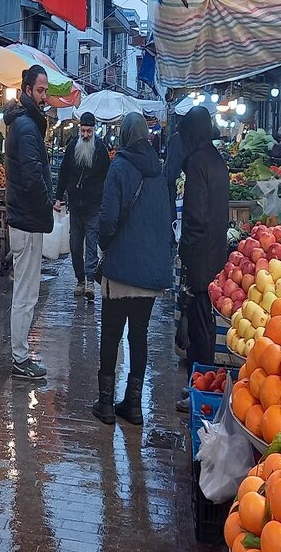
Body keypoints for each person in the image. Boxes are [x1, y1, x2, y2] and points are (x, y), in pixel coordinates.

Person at [92, 112, 172, 425]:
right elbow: (164, 222)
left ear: (124, 136)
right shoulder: (159, 171)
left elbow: (108, 218)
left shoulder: (119, 167)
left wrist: (103, 244)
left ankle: (106, 404)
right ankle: (134, 406)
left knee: (111, 333)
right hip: (149, 273)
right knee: (139, 335)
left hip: (122, 268)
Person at [176, 105, 229, 412]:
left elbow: (195, 217)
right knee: (205, 324)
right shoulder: (217, 161)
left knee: (199, 327)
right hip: (216, 254)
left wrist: (185, 250)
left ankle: (199, 388)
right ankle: (202, 384)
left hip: (199, 257)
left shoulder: (196, 164)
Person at [4, 64, 52, 380]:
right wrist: (47, 205)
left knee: (25, 292)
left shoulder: (23, 125)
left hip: (23, 218)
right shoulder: (26, 128)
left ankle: (21, 355)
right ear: (26, 89)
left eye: (46, 91)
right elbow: (33, 179)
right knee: (25, 294)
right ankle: (20, 358)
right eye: (40, 90)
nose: (44, 96)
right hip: (27, 220)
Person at [55, 111, 110, 300]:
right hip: (75, 206)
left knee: (92, 245)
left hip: (94, 206)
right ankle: (79, 279)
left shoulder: (101, 149)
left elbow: (107, 177)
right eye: (83, 131)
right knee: (75, 246)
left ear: (93, 131)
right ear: (79, 130)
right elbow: (63, 173)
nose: (85, 135)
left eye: (88, 131)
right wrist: (58, 197)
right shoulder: (72, 147)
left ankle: (89, 281)